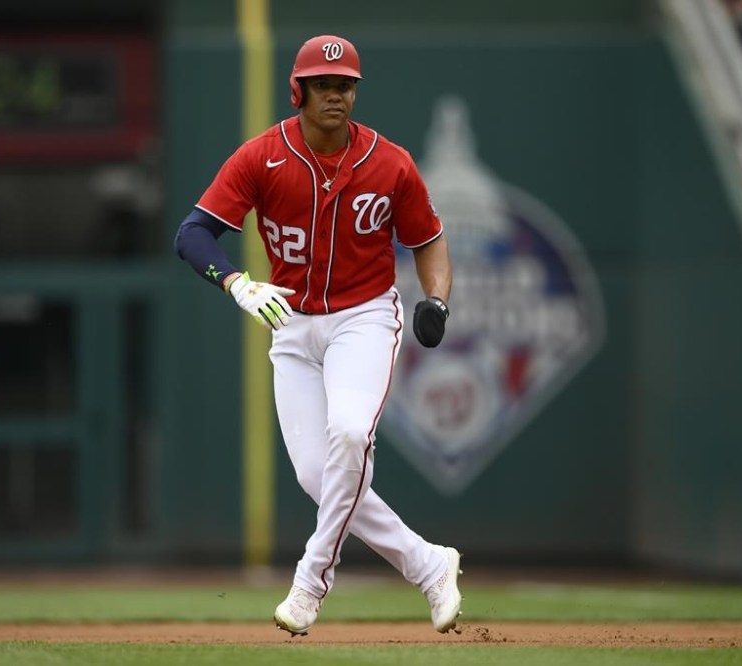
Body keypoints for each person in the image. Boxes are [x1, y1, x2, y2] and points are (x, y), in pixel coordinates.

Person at [174, 34, 462, 636]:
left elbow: (428, 239)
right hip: (291, 321)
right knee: (318, 475)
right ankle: (429, 564)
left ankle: (310, 582)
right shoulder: (262, 156)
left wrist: (436, 298)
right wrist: (234, 283)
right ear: (298, 91)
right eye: (324, 85)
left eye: (346, 85)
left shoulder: (391, 162)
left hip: (364, 316)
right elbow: (193, 234)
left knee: (351, 434)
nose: (336, 95)